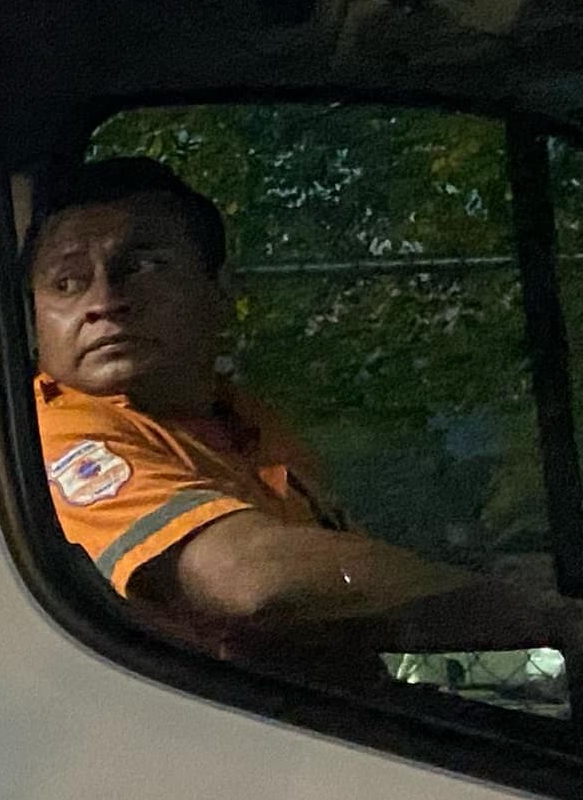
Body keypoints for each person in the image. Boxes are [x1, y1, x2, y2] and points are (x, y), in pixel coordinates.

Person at [31, 155, 583, 673]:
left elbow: (350, 592)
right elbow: (255, 579)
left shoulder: (244, 422)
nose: (103, 301)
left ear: (220, 292)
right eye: (66, 283)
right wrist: (536, 613)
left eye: (144, 265)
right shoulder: (49, 434)